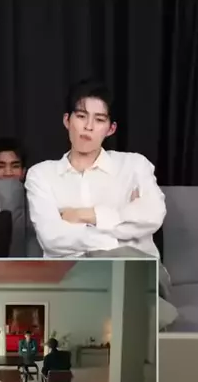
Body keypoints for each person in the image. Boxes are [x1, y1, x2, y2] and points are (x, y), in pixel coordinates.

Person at [24, 79, 178, 329]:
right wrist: (119, 234)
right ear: (67, 120)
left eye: (99, 119)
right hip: (76, 274)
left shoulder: (134, 166)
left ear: (111, 128)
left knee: (123, 274)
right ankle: (143, 318)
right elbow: (52, 238)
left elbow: (153, 215)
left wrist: (87, 215)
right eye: (81, 116)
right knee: (99, 286)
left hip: (136, 269)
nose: (88, 126)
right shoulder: (41, 175)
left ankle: (128, 316)